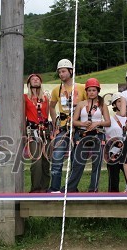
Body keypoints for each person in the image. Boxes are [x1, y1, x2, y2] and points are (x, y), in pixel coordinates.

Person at [47, 59, 87, 192]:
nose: (61, 74)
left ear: (71, 71)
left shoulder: (81, 88)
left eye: (63, 71)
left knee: (76, 161)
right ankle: (54, 188)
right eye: (59, 72)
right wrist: (55, 122)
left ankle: (70, 188)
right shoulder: (56, 90)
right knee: (57, 158)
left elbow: (89, 105)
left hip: (78, 128)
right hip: (63, 128)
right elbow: (51, 106)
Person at [66, 78, 110, 192]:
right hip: (83, 134)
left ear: (98, 91)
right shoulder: (81, 104)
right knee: (78, 163)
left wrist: (97, 123)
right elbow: (73, 121)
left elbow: (108, 122)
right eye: (89, 90)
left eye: (94, 90)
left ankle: (93, 189)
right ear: (86, 91)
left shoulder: (102, 105)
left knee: (97, 163)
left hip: (97, 135)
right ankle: (70, 188)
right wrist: (83, 123)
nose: (91, 92)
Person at [104, 92, 127, 192]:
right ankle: (112, 203)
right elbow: (104, 136)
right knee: (113, 182)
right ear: (114, 104)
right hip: (114, 151)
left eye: (123, 101)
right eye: (119, 101)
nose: (122, 103)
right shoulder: (109, 119)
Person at [24, 73, 51, 192]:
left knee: (46, 161)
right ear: (29, 84)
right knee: (37, 161)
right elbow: (22, 115)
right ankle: (35, 189)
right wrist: (24, 132)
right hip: (33, 131)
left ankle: (45, 188)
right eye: (33, 79)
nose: (35, 80)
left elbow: (49, 114)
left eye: (37, 79)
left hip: (45, 130)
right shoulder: (25, 98)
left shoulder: (45, 98)